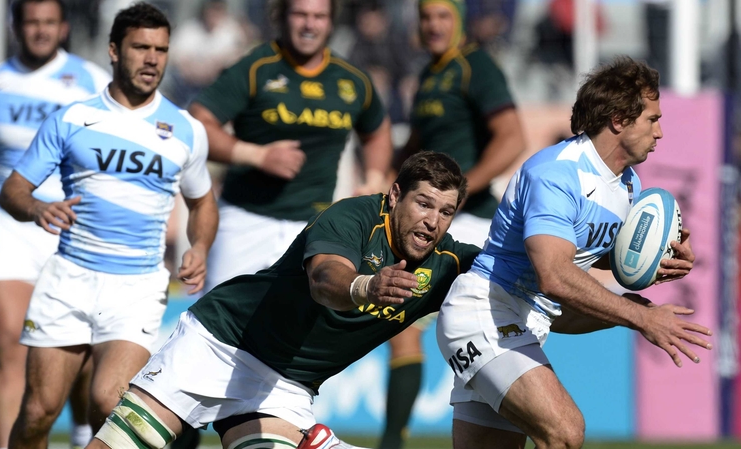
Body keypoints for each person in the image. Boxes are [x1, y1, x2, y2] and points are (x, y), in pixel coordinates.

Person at [84, 151, 480, 449]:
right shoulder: (353, 217)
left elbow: (507, 277)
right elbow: (324, 279)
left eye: (446, 211)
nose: (433, 221)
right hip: (222, 344)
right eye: (423, 203)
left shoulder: (448, 262)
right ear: (395, 195)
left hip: (285, 386)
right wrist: (366, 287)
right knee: (124, 442)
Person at [436, 56, 713, 449]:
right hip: (486, 313)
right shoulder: (557, 174)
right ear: (618, 120)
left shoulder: (628, 184)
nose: (660, 132)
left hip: (529, 322)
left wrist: (659, 261)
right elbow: (554, 273)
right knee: (565, 433)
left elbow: (593, 253)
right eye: (652, 119)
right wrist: (641, 317)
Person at [0, 3, 218, 448]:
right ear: (114, 50)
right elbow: (12, 190)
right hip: (69, 277)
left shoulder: (187, 130)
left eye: (161, 50)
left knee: (109, 403)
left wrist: (199, 246)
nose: (152, 59)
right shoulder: (71, 119)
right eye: (141, 47)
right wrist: (38, 208)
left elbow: (203, 203)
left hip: (136, 288)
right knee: (38, 412)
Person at [0, 1, 110, 448]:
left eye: (49, 22)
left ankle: (81, 434)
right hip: (9, 227)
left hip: (73, 229)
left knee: (82, 356)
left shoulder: (93, 83)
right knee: (9, 346)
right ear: (15, 26)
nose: (40, 31)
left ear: (64, 27)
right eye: (31, 22)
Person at [378, 1, 526, 447]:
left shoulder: (476, 67)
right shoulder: (429, 74)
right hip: (437, 221)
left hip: (474, 223)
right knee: (399, 322)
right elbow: (416, 149)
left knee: (478, 336)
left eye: (443, 16)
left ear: (459, 19)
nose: (434, 25)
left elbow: (513, 138)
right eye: (426, 17)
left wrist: (459, 194)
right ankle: (392, 441)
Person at [188, 0, 393, 293]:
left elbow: (377, 130)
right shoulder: (256, 68)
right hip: (245, 219)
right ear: (282, 16)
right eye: (300, 14)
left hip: (315, 227)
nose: (309, 24)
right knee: (218, 313)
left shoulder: (352, 79)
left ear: (331, 22)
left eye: (319, 16)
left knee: (309, 317)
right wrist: (257, 155)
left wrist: (373, 179)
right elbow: (198, 121)